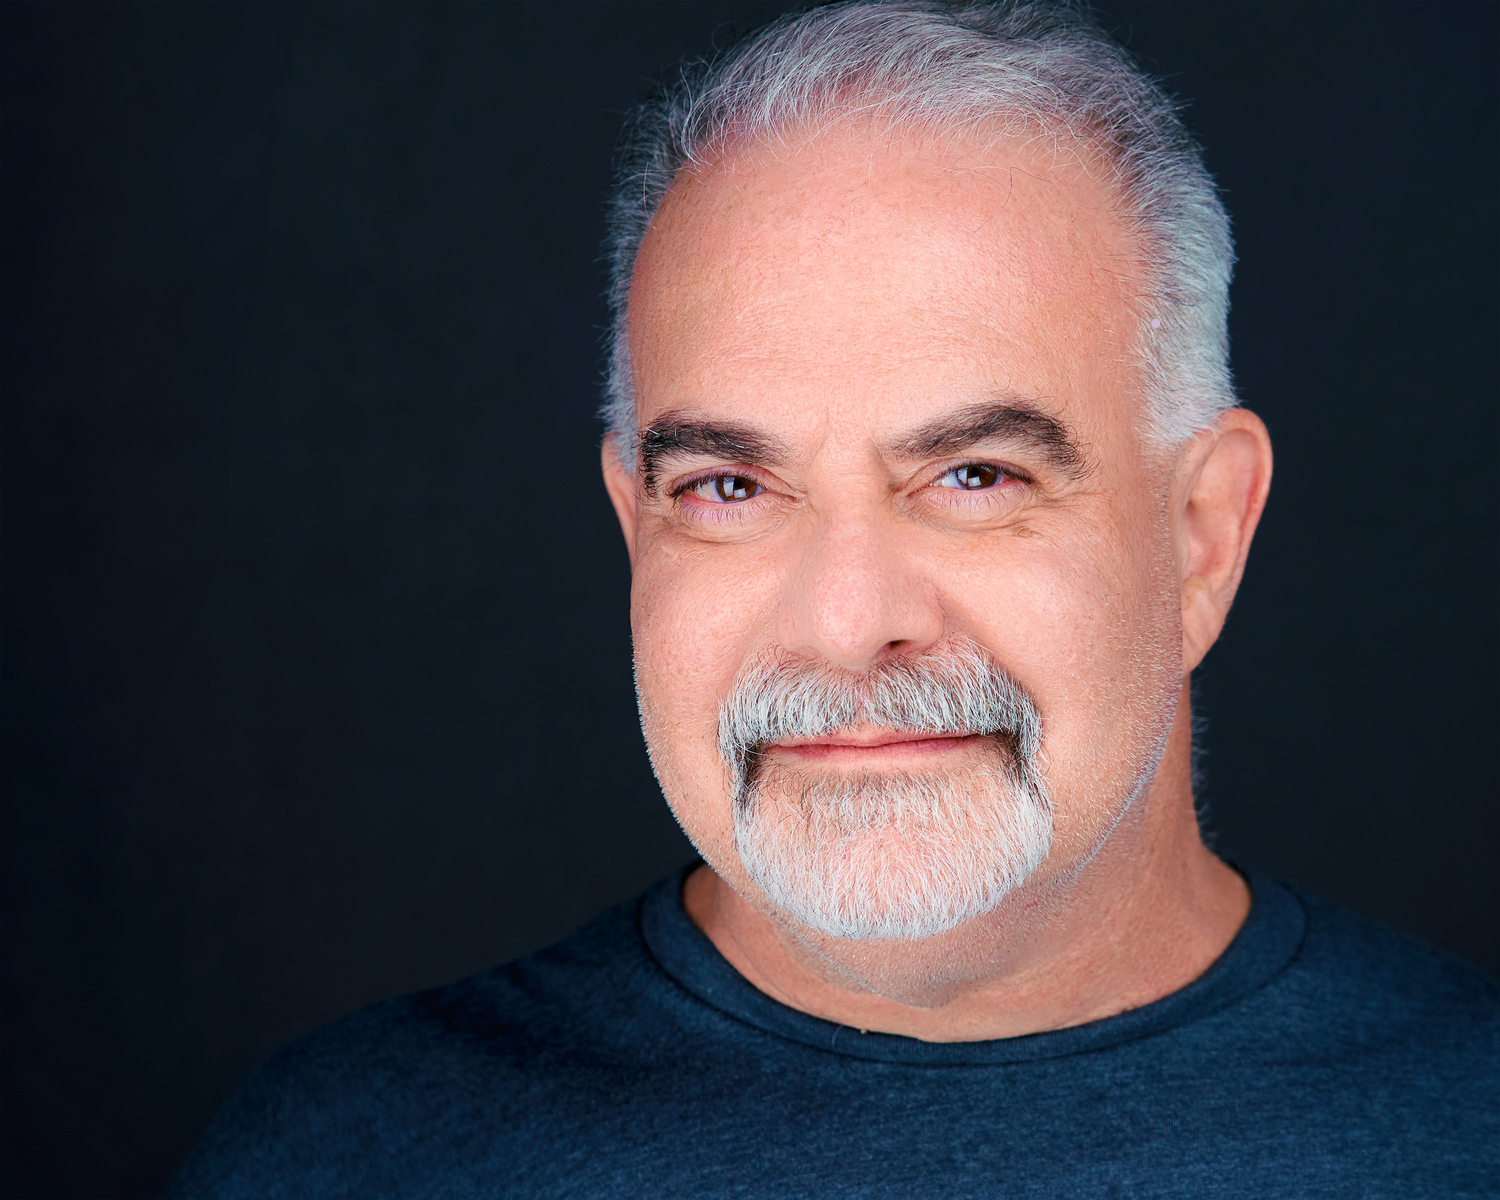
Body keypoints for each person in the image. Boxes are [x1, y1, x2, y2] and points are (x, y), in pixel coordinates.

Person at [167, 2, 1498, 1195]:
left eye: (974, 475)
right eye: (731, 488)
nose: (849, 623)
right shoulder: (355, 1159)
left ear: (1202, 535)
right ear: (635, 530)